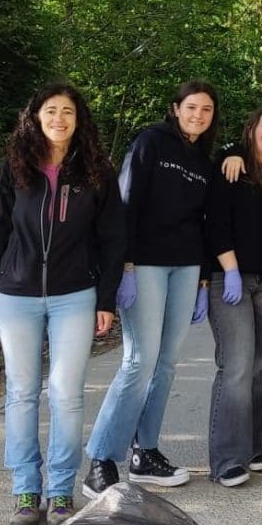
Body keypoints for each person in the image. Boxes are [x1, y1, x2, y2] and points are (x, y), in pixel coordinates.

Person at [0, 83, 125, 525]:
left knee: (65, 393)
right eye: (51, 110)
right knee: (21, 393)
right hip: (16, 294)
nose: (59, 118)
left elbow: (112, 240)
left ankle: (60, 491)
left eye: (68, 111)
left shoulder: (96, 171)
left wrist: (106, 298)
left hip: (74, 295)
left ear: (78, 120)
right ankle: (27, 490)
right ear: (35, 116)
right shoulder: (15, 167)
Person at [83, 80, 218, 498]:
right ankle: (101, 462)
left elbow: (204, 221)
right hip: (144, 265)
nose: (198, 115)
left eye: (207, 110)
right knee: (139, 361)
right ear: (175, 108)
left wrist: (203, 278)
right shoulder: (149, 143)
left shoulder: (203, 159)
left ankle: (146, 453)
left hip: (186, 266)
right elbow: (126, 204)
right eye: (191, 107)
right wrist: (123, 266)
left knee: (167, 362)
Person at [205, 105, 262, 487]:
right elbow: (215, 222)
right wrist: (229, 270)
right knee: (238, 366)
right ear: (251, 128)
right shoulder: (231, 166)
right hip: (233, 277)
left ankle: (256, 443)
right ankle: (227, 457)